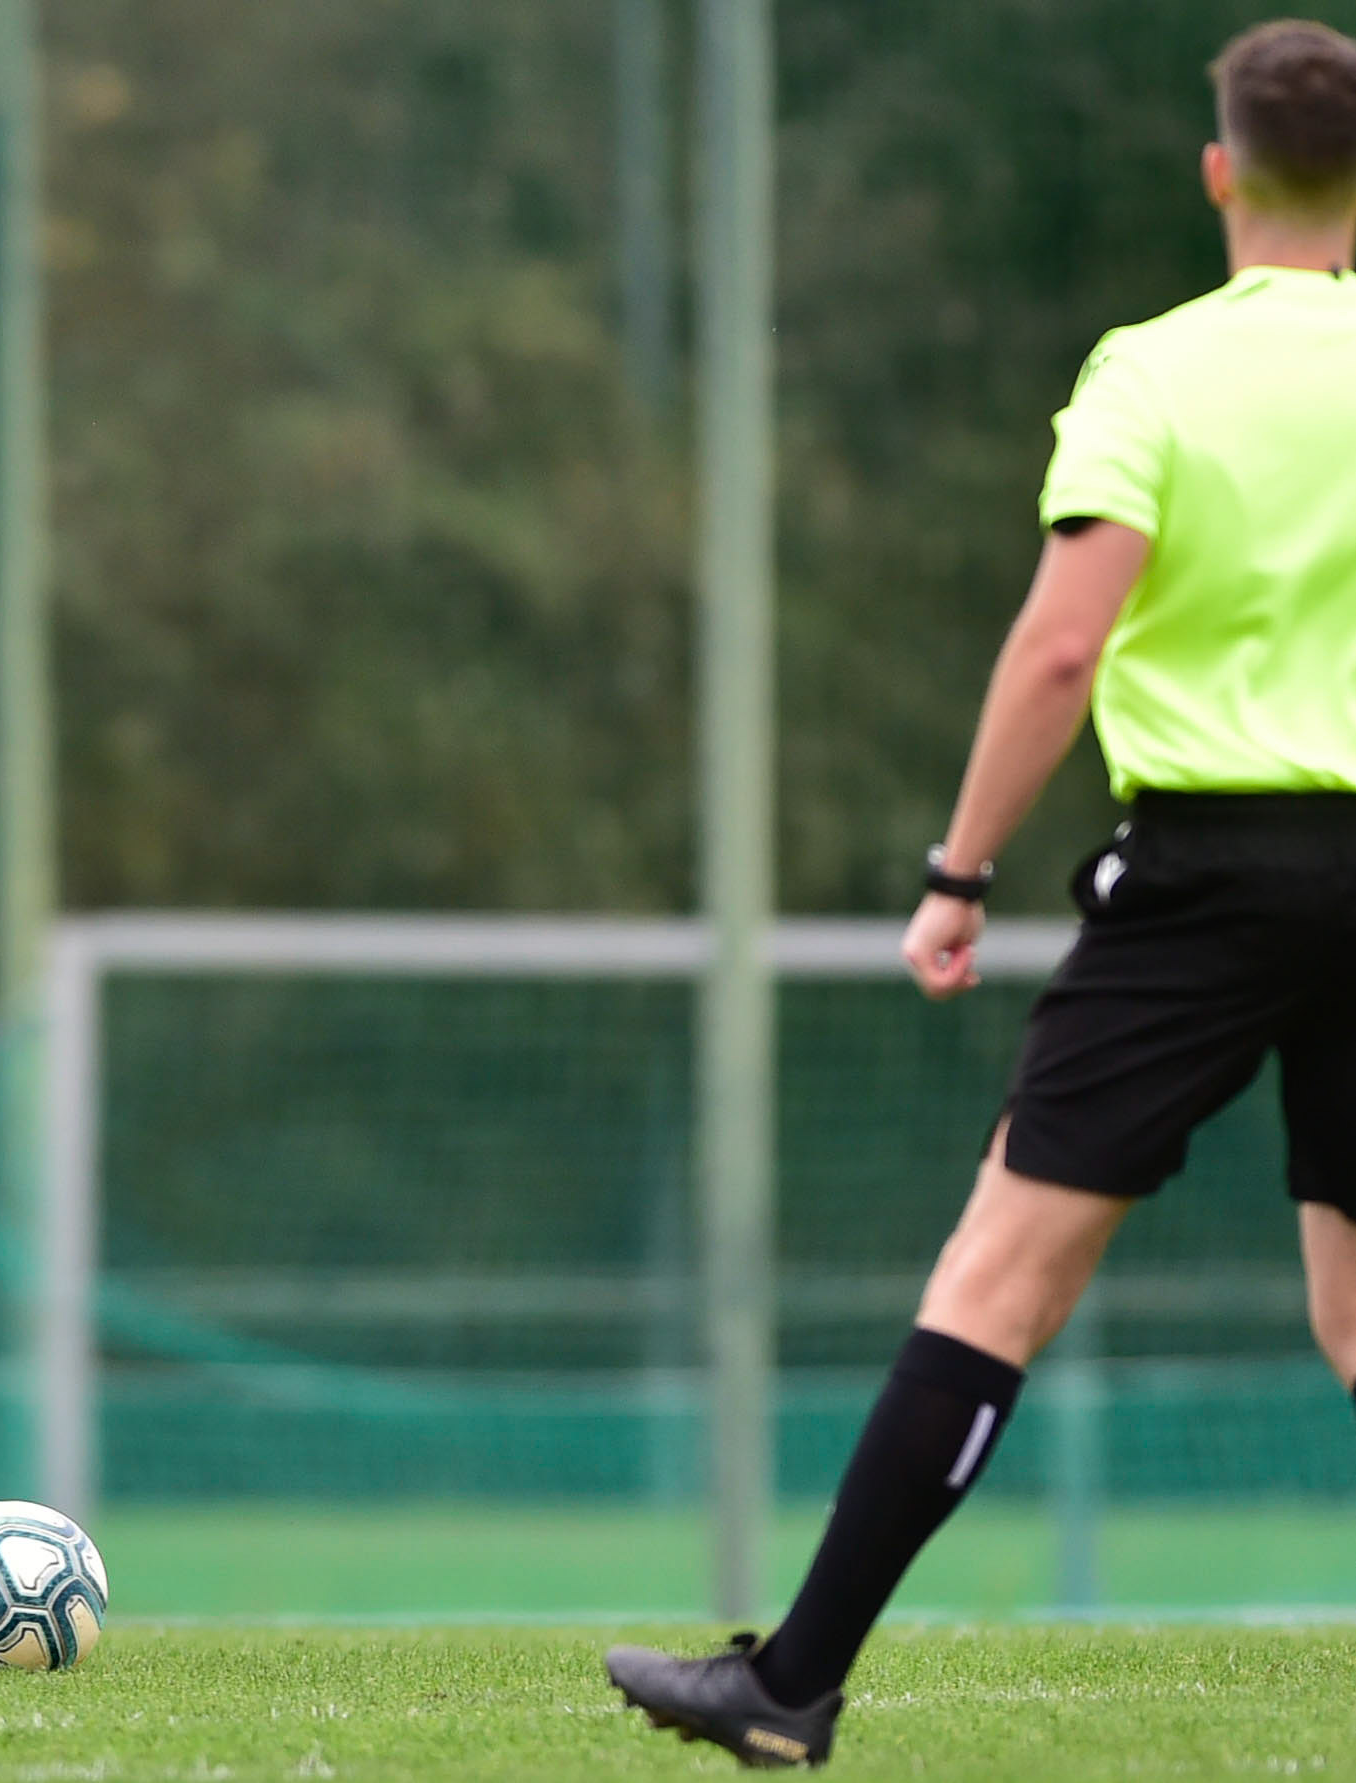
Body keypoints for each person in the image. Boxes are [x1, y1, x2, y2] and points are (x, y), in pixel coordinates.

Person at [607, 19, 1356, 1767]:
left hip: (1210, 872)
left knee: (998, 1276)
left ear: (1219, 172)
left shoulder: (1155, 371)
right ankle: (787, 1678)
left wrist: (957, 872)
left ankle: (790, 1684)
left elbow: (1061, 644)